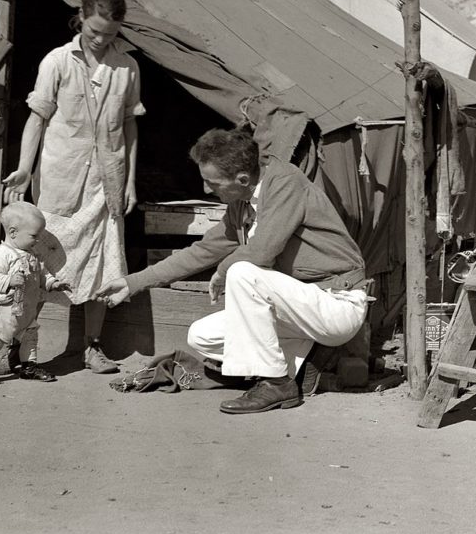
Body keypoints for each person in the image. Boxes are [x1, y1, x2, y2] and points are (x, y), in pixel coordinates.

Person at [95, 128, 368, 414]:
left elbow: (261, 252)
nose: (206, 189)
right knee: (201, 336)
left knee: (242, 271)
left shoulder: (285, 183)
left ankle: (277, 384)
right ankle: (310, 362)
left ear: (242, 179)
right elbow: (201, 252)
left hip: (336, 302)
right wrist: (133, 282)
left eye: (212, 182)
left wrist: (223, 270)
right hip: (301, 310)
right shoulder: (241, 204)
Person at [3, 0, 144, 374]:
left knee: (101, 265)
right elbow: (38, 117)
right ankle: (22, 347)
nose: (100, 39)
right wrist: (25, 167)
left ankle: (90, 347)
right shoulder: (57, 61)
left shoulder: (127, 67)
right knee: (42, 266)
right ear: (81, 18)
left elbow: (130, 125)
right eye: (94, 30)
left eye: (110, 34)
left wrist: (129, 180)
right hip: (61, 179)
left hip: (106, 183)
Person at [0, 202, 69, 390]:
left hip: (25, 309)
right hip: (4, 310)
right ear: (13, 232)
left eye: (40, 235)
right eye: (34, 235)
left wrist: (52, 284)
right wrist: (8, 281)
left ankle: (28, 366)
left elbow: (41, 274)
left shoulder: (31, 254)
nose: (38, 240)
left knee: (30, 336)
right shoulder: (1, 254)